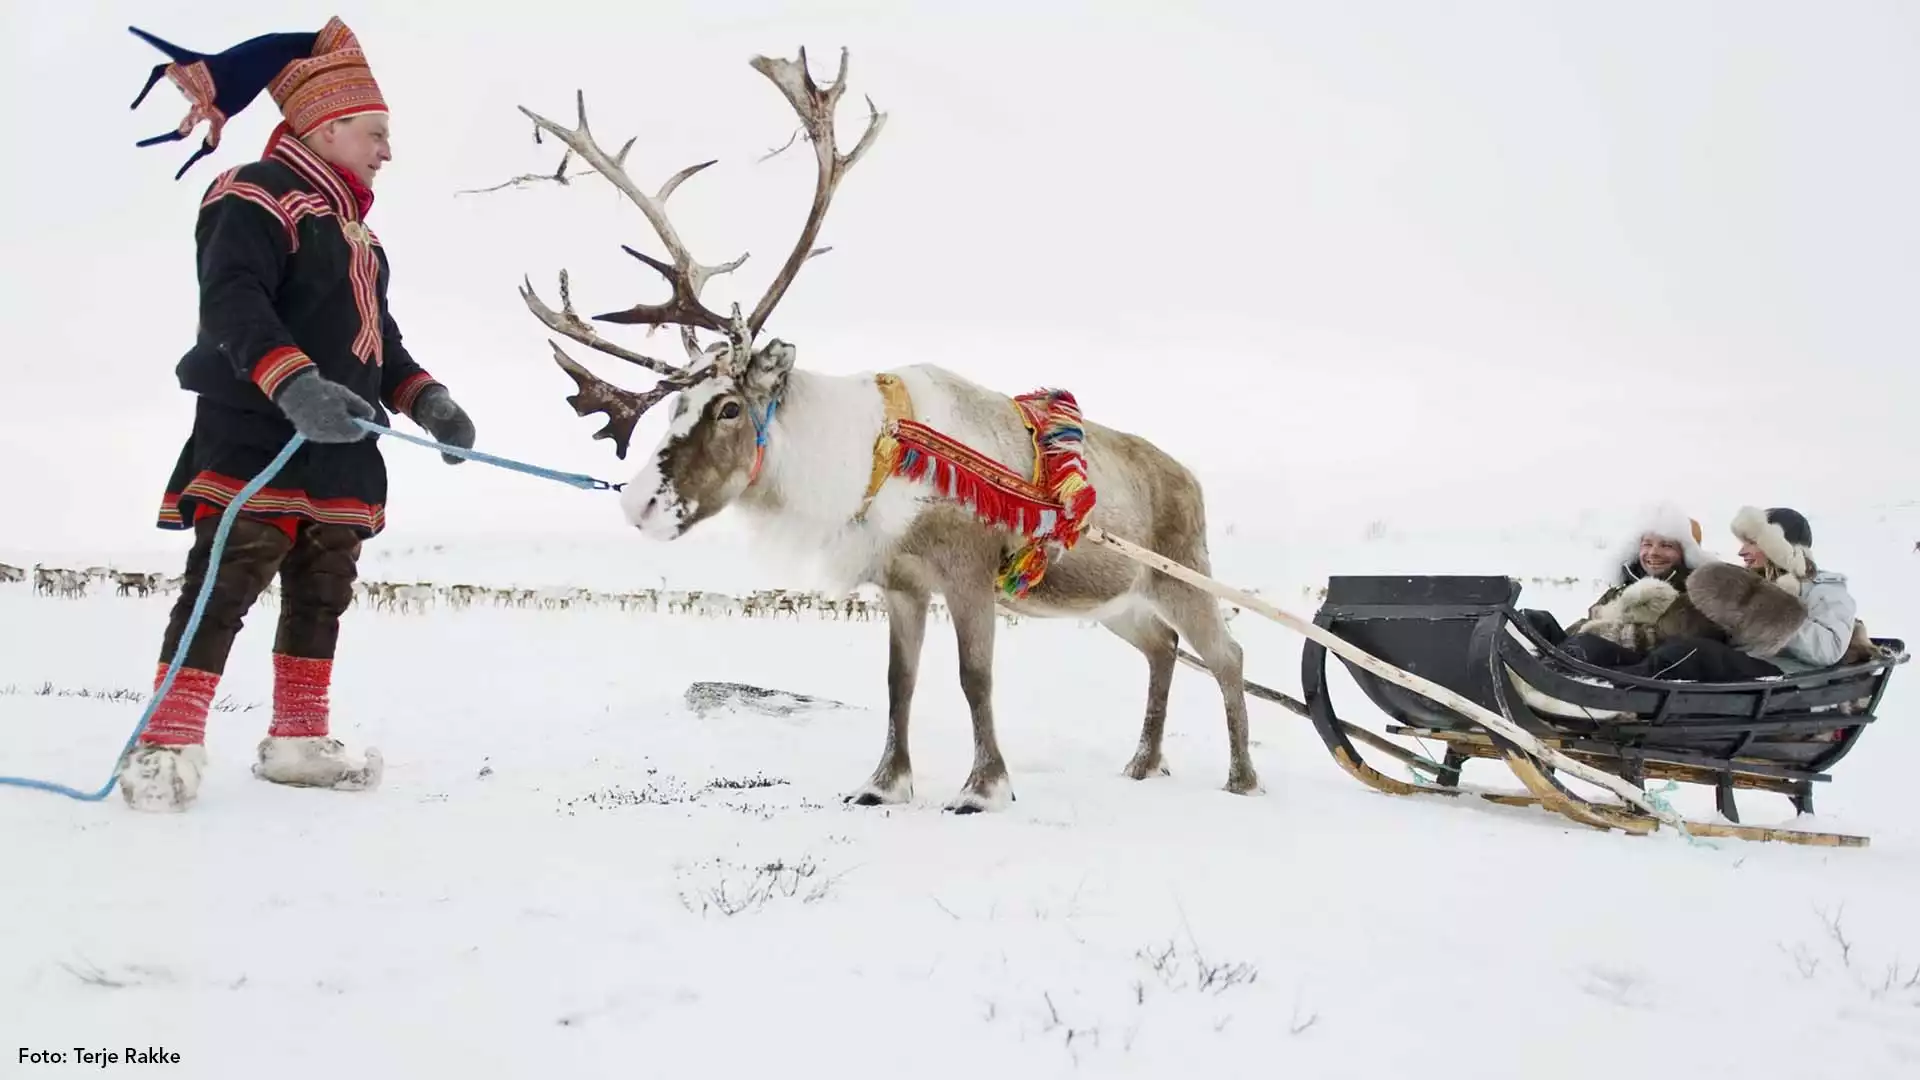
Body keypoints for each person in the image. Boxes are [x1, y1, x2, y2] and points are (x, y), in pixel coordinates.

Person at [117, 17, 477, 812]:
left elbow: (380, 342)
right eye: (377, 133)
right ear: (328, 122)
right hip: (258, 435)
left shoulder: (361, 236)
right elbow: (235, 304)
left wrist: (429, 401)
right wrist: (295, 386)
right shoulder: (253, 193)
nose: (388, 151)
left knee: (323, 592)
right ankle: (165, 744)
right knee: (226, 583)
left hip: (343, 450)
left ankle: (298, 740)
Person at [1616, 507, 1859, 682]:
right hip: (1744, 674)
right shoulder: (1755, 581)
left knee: (1695, 653)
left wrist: (1760, 608)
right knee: (1678, 645)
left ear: (1779, 545)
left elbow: (1830, 648)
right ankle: (1602, 671)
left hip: (1788, 681)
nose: (1742, 551)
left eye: (1751, 542)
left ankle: (1617, 688)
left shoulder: (1824, 588)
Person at [1522, 504, 1711, 666]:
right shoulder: (1622, 588)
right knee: (1534, 621)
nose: (1653, 553)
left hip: (1633, 671)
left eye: (1667, 545)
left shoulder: (1693, 595)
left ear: (1687, 553)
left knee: (1587, 645)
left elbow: (1667, 638)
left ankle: (1545, 677)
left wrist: (1596, 633)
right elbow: (1587, 623)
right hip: (1587, 653)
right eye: (1647, 544)